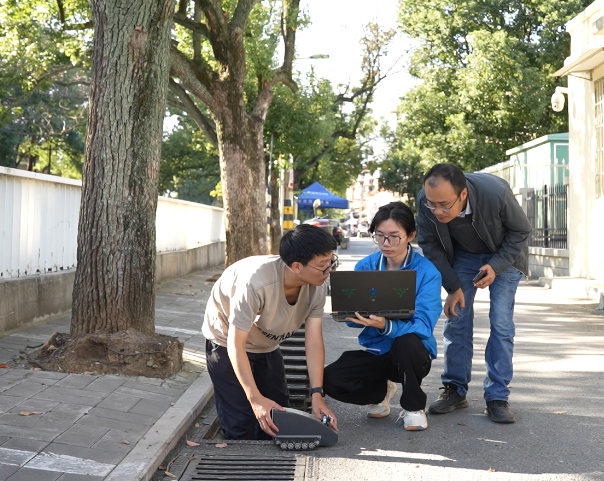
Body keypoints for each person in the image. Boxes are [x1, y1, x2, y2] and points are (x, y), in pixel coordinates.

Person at [416, 163, 530, 424]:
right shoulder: (426, 199)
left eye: (444, 204)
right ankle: (455, 390)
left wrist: (497, 265)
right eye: (432, 204)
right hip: (464, 257)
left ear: (463, 195)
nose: (436, 210)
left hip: (505, 255)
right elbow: (430, 246)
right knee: (456, 318)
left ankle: (497, 396)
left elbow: (521, 231)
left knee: (501, 323)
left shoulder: (495, 192)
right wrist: (453, 287)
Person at [201, 224, 339, 439]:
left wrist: (317, 394)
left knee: (278, 416)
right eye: (323, 265)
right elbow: (235, 345)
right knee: (241, 424)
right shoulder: (254, 284)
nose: (329, 270)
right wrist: (254, 399)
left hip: (266, 344)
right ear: (296, 266)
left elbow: (313, 341)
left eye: (331, 262)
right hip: (226, 342)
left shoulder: (318, 285)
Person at [323, 202, 442, 431]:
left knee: (407, 341)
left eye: (394, 237)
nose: (386, 244)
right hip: (376, 352)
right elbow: (350, 319)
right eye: (379, 236)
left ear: (411, 235)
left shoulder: (427, 272)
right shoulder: (365, 265)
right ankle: (381, 392)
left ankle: (413, 408)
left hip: (412, 355)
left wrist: (387, 325)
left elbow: (424, 326)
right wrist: (351, 314)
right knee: (330, 378)